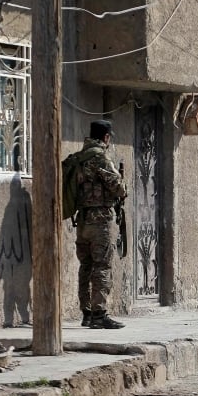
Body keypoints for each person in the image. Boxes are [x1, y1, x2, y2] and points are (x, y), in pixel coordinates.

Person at [75, 119, 128, 329]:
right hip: (100, 222)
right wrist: (122, 185)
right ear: (106, 137)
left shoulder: (80, 157)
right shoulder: (101, 158)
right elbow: (118, 187)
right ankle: (99, 315)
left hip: (82, 220)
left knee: (85, 266)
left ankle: (87, 313)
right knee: (102, 266)